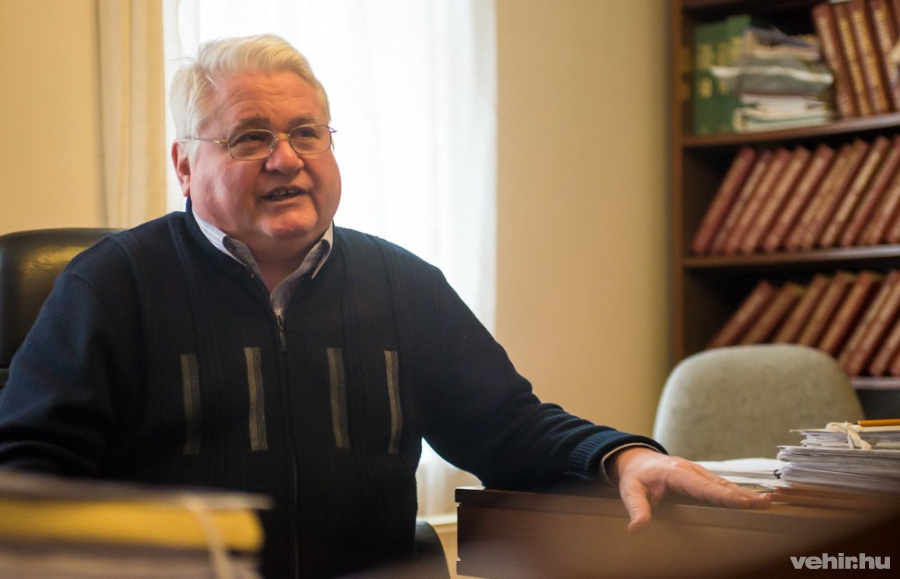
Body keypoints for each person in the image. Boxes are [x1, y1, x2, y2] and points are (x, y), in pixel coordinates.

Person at [0, 34, 768, 578]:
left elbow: (509, 428)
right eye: (250, 138)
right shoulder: (113, 287)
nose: (286, 159)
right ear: (184, 164)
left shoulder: (403, 285)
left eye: (307, 132)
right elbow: (25, 480)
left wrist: (626, 456)